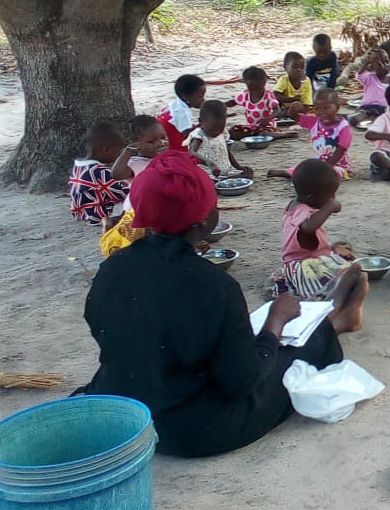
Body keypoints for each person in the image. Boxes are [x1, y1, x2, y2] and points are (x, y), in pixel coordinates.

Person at [77, 150, 367, 458]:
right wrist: (274, 321)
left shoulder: (112, 268)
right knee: (304, 343)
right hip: (196, 429)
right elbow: (244, 380)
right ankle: (330, 324)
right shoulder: (214, 286)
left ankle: (329, 322)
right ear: (204, 220)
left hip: (129, 411)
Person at [279, 159, 358, 299]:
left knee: (343, 255)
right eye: (330, 196)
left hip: (310, 256)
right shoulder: (302, 212)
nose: (333, 198)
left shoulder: (295, 205)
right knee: (340, 276)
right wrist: (331, 206)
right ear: (311, 197)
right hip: (304, 266)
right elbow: (308, 228)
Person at [99, 116, 168, 257]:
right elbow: (116, 174)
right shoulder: (135, 163)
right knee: (137, 244)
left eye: (163, 137)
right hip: (137, 210)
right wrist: (129, 151)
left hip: (160, 207)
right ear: (137, 144)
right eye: (151, 141)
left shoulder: (166, 157)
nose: (160, 143)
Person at [269, 88, 353, 181]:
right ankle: (290, 173)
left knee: (330, 174)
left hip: (337, 165)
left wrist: (327, 167)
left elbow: (340, 150)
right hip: (318, 163)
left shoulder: (343, 126)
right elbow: (296, 117)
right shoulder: (315, 121)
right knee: (306, 167)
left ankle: (303, 177)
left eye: (326, 108)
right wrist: (293, 109)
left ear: (337, 107)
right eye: (317, 109)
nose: (321, 112)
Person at [69, 122, 134, 227]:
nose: (120, 156)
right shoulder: (99, 172)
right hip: (96, 216)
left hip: (81, 213)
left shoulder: (78, 166)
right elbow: (124, 193)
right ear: (106, 150)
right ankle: (108, 222)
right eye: (119, 152)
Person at [187, 100, 252, 180]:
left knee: (248, 174)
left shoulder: (221, 132)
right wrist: (209, 163)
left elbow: (227, 151)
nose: (216, 133)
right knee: (208, 182)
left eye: (220, 129)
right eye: (212, 130)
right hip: (207, 173)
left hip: (225, 172)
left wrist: (238, 166)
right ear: (201, 121)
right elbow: (191, 152)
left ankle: (226, 178)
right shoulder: (199, 135)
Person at [228, 66, 280, 137]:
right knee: (232, 131)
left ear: (264, 83)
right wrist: (221, 105)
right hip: (250, 127)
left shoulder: (268, 95)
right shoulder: (245, 94)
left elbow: (277, 110)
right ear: (246, 84)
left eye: (258, 88)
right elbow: (233, 102)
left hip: (266, 126)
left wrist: (268, 118)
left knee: (264, 133)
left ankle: (282, 135)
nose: (255, 92)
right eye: (251, 89)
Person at [159, 73, 206, 150]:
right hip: (175, 146)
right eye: (200, 97)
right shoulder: (183, 112)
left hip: (167, 139)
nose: (203, 99)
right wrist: (202, 125)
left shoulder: (175, 104)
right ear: (186, 97)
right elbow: (186, 134)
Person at [349, 48, 390, 119]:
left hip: (384, 109)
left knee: (379, 118)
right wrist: (367, 62)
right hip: (367, 107)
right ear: (372, 66)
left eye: (387, 62)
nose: (384, 65)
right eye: (379, 64)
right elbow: (359, 74)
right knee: (355, 119)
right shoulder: (369, 77)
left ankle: (372, 121)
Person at [274, 52, 314, 118]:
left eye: (302, 68)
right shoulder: (283, 79)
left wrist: (304, 112)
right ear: (285, 68)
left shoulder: (306, 81)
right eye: (295, 67)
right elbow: (275, 96)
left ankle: (290, 116)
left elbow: (307, 103)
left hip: (299, 108)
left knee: (296, 106)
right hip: (283, 108)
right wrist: (292, 99)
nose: (299, 70)